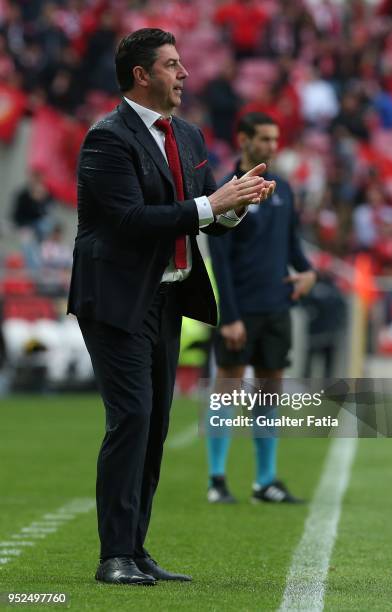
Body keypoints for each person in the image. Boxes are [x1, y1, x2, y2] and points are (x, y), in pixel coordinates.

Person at [67, 28, 275, 586]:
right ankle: (114, 555)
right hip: (114, 297)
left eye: (182, 64)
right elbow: (131, 220)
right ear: (142, 75)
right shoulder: (106, 139)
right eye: (172, 65)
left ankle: (135, 550)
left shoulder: (186, 134)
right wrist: (214, 203)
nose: (184, 74)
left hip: (164, 295)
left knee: (155, 421)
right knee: (132, 416)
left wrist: (237, 204)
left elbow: (204, 210)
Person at [207, 112, 316, 504]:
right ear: (243, 140)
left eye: (275, 139)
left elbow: (293, 248)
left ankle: (265, 481)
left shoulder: (282, 188)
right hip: (241, 309)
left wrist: (308, 274)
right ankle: (217, 480)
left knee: (269, 393)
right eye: (264, 139)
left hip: (276, 307)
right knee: (227, 390)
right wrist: (230, 316)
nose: (272, 146)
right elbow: (218, 258)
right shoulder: (227, 191)